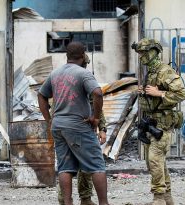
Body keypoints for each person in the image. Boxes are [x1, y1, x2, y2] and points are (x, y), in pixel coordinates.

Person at [38, 41, 109, 205]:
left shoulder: (55, 73)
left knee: (65, 167)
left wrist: (49, 120)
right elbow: (97, 93)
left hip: (58, 126)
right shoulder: (83, 73)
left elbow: (41, 95)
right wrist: (96, 119)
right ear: (83, 55)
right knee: (97, 165)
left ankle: (68, 202)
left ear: (67, 56)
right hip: (77, 125)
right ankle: (104, 203)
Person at [132, 38, 185, 205]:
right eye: (139, 53)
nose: (141, 57)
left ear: (153, 52)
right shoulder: (151, 72)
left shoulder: (165, 71)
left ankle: (158, 199)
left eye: (143, 53)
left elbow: (180, 94)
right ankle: (167, 199)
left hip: (162, 124)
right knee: (155, 163)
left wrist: (159, 93)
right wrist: (145, 92)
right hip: (151, 123)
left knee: (155, 160)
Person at [57, 53, 107, 205]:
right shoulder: (70, 79)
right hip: (76, 128)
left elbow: (96, 104)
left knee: (78, 166)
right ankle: (68, 199)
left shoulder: (77, 77)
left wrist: (102, 127)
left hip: (71, 127)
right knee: (73, 165)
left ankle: (84, 198)